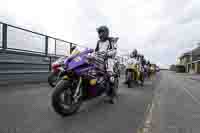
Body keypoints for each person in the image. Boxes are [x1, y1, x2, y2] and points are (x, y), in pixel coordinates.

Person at [95, 25, 118, 103]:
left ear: (106, 33)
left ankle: (112, 96)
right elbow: (96, 51)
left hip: (109, 59)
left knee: (110, 74)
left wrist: (107, 54)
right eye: (99, 32)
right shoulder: (98, 42)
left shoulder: (111, 41)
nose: (100, 34)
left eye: (102, 32)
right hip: (99, 59)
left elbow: (114, 51)